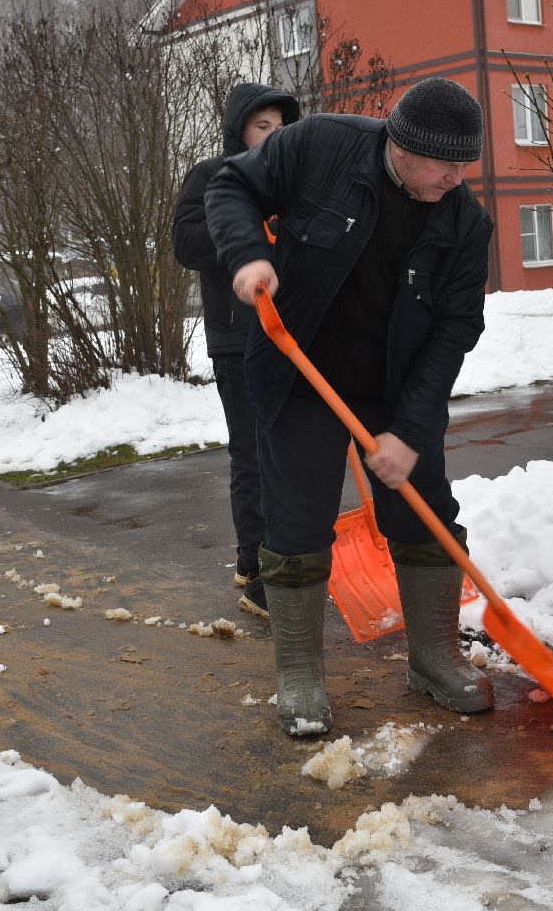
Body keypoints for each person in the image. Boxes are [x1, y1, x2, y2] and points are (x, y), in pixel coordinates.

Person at [204, 77, 495, 736]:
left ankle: (434, 658)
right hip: (299, 368)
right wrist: (248, 256)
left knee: (427, 514)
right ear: (402, 146)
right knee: (297, 521)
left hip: (394, 387)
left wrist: (409, 432)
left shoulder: (463, 222)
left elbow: (455, 329)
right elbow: (231, 186)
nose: (455, 179)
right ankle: (300, 676)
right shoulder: (320, 147)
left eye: (463, 165)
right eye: (443, 165)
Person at [172, 83, 301, 619]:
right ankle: (256, 570)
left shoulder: (293, 182)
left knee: (291, 451)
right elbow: (186, 246)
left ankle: (285, 557)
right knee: (252, 452)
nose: (273, 136)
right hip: (237, 337)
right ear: (239, 130)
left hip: (292, 337)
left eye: (280, 126)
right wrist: (244, 228)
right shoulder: (210, 177)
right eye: (261, 126)